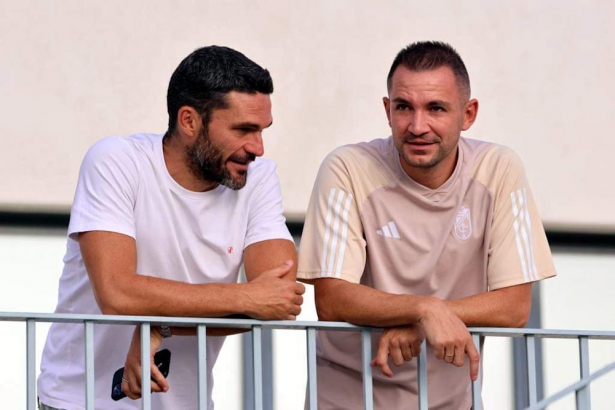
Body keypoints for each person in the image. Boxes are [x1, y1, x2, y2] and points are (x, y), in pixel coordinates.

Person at [37, 45, 305, 410]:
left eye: (262, 130)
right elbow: (117, 294)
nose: (257, 147)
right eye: (243, 129)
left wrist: (160, 327)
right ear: (189, 120)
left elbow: (278, 299)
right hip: (78, 402)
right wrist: (244, 297)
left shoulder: (258, 179)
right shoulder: (116, 161)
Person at [297, 41, 556, 409]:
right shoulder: (346, 167)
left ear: (468, 114)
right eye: (404, 107)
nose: (418, 126)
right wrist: (425, 310)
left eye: (436, 108)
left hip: (450, 400)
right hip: (347, 397)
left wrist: (421, 317)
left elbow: (514, 306)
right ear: (387, 110)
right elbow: (333, 298)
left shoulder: (498, 168)